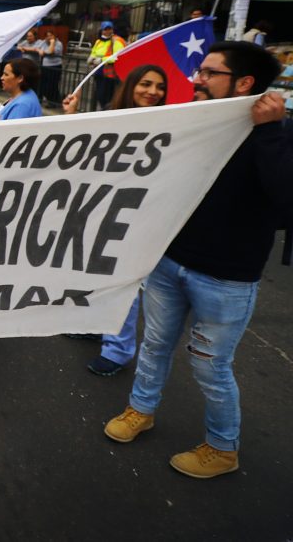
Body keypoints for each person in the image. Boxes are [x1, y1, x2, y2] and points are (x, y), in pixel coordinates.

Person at [103, 42, 292, 479]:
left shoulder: (279, 135)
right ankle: (140, 410)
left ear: (243, 83)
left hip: (226, 280)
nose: (196, 79)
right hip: (170, 264)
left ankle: (223, 448)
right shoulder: (195, 122)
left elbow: (287, 201)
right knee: (153, 346)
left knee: (210, 367)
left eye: (209, 72)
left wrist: (268, 132)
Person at [62, 65, 168, 375]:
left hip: (140, 217)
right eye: (145, 84)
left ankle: (118, 349)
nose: (152, 91)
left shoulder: (169, 123)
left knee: (125, 282)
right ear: (131, 85)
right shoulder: (114, 116)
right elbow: (85, 150)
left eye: (159, 87)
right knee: (99, 276)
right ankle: (99, 325)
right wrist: (72, 115)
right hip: (104, 211)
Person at [88, 21, 126, 110]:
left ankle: (106, 112)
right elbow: (94, 52)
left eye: (109, 29)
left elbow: (118, 56)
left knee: (106, 97)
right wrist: (91, 57)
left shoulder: (117, 41)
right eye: (106, 29)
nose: (108, 31)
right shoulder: (98, 41)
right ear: (102, 30)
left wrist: (102, 60)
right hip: (99, 72)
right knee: (100, 96)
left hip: (110, 74)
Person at [38, 30, 64, 103]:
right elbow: (37, 48)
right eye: (47, 36)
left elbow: (50, 51)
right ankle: (49, 99)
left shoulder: (58, 44)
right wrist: (39, 50)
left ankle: (53, 101)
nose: (49, 37)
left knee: (52, 85)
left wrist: (52, 42)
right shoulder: (44, 42)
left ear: (54, 36)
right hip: (45, 66)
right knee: (44, 84)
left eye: (51, 35)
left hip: (55, 66)